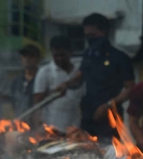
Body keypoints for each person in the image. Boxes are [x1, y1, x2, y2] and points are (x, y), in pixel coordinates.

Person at [56, 13, 134, 141]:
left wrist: (109, 105)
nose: (90, 40)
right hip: (88, 115)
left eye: (93, 35)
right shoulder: (89, 55)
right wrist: (66, 85)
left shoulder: (120, 58)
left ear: (104, 32)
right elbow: (78, 78)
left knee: (108, 153)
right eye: (87, 36)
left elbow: (130, 89)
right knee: (85, 152)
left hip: (110, 117)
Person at [33, 36, 84, 132]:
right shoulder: (45, 72)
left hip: (75, 129)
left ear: (70, 53)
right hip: (52, 129)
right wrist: (37, 128)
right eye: (56, 55)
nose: (59, 59)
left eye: (62, 55)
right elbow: (37, 103)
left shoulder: (78, 72)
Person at [11, 44, 41, 117]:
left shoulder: (42, 79)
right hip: (21, 123)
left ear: (37, 59)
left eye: (31, 56)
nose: (27, 59)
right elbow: (13, 103)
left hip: (39, 122)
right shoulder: (17, 81)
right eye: (24, 56)